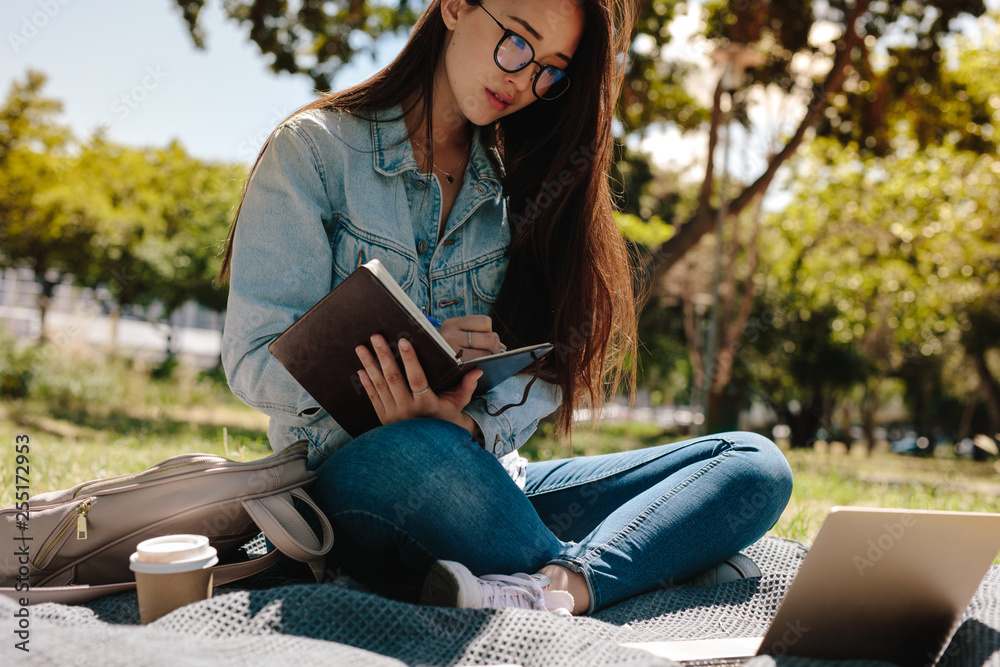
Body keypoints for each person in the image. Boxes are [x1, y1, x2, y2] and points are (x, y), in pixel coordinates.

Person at [219, 0, 793, 617]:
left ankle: (556, 587)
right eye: (517, 41)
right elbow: (253, 358)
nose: (523, 81)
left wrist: (466, 425)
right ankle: (630, 569)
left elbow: (536, 375)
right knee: (418, 451)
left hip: (491, 482)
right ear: (456, 7)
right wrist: (417, 358)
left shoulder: (519, 186)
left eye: (550, 69)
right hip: (363, 481)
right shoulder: (315, 151)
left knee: (754, 464)